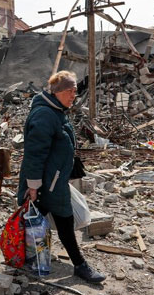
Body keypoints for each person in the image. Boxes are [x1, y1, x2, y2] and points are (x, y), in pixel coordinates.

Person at [17, 71, 106, 283]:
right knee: (62, 219)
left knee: (35, 220)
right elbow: (34, 153)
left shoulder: (56, 111)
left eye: (75, 91)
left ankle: (33, 259)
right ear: (58, 92)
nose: (74, 95)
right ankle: (79, 265)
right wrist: (33, 186)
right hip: (46, 183)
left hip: (53, 180)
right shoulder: (45, 115)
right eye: (70, 91)